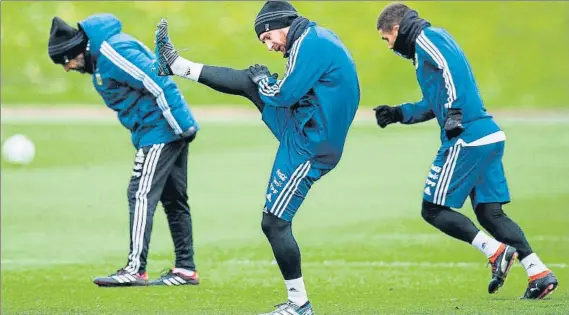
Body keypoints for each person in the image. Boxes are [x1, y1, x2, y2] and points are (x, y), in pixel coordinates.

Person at [153, 1, 360, 313]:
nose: (270, 46)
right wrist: (261, 82)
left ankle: (298, 304)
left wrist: (265, 80)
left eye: (267, 39)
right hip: (307, 127)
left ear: (277, 25)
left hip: (309, 145)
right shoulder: (314, 37)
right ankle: (176, 65)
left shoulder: (311, 45)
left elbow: (282, 95)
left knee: (274, 223)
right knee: (251, 83)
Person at [373, 3, 558, 299]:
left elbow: (451, 70)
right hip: (488, 135)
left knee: (432, 209)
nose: (389, 45)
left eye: (386, 38)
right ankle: (538, 272)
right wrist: (398, 113)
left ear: (396, 29)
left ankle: (496, 252)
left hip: (467, 137)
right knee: (489, 213)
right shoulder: (426, 48)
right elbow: (433, 102)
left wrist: (456, 112)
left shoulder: (426, 39)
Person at [48, 13, 201, 287]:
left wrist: (183, 125)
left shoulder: (112, 52)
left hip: (162, 131)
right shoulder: (100, 58)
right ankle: (185, 270)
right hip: (160, 130)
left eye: (65, 61)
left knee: (140, 193)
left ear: (76, 51)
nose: (67, 68)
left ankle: (135, 270)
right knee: (173, 198)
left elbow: (157, 80)